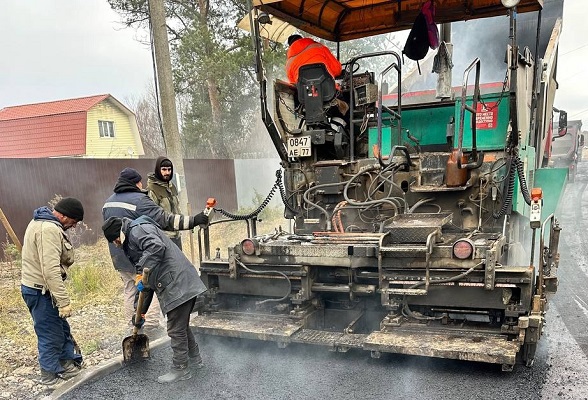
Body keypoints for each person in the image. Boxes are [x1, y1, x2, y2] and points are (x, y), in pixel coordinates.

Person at [102, 215, 207, 384]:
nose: (117, 245)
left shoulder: (137, 230)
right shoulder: (134, 237)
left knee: (175, 329)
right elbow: (146, 281)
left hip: (177, 284)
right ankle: (195, 361)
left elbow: (156, 248)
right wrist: (139, 313)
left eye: (115, 241)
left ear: (117, 234)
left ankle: (180, 368)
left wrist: (144, 273)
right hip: (179, 282)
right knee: (181, 326)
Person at [102, 167, 208, 334]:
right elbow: (166, 220)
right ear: (136, 183)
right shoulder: (139, 201)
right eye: (140, 182)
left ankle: (134, 328)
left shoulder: (108, 202)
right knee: (151, 284)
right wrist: (194, 221)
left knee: (131, 290)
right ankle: (150, 328)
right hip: (143, 255)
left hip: (120, 257)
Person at [20, 197, 85, 385]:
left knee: (61, 328)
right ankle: (49, 376)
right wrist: (64, 302)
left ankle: (66, 364)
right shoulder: (48, 230)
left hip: (43, 289)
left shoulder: (43, 222)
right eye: (73, 222)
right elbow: (50, 271)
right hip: (40, 291)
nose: (73, 227)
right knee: (49, 333)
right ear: (64, 216)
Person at [147, 157, 182, 249]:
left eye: (169, 169)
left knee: (180, 263)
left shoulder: (172, 187)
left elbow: (177, 208)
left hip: (176, 234)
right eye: (164, 169)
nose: (167, 172)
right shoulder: (152, 189)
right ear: (158, 170)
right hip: (163, 237)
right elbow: (152, 215)